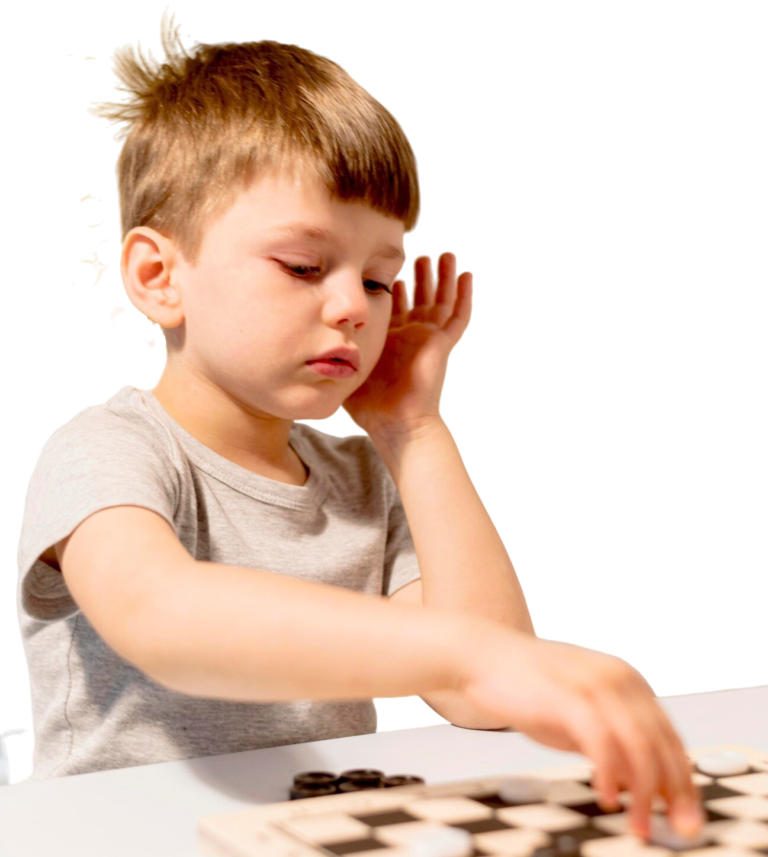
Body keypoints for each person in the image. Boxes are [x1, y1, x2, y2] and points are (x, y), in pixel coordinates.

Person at [16, 8, 703, 843]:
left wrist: (414, 428)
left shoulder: (359, 479)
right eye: (304, 265)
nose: (352, 306)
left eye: (379, 279)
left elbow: (482, 693)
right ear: (159, 276)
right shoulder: (107, 447)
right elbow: (161, 616)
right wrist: (473, 656)